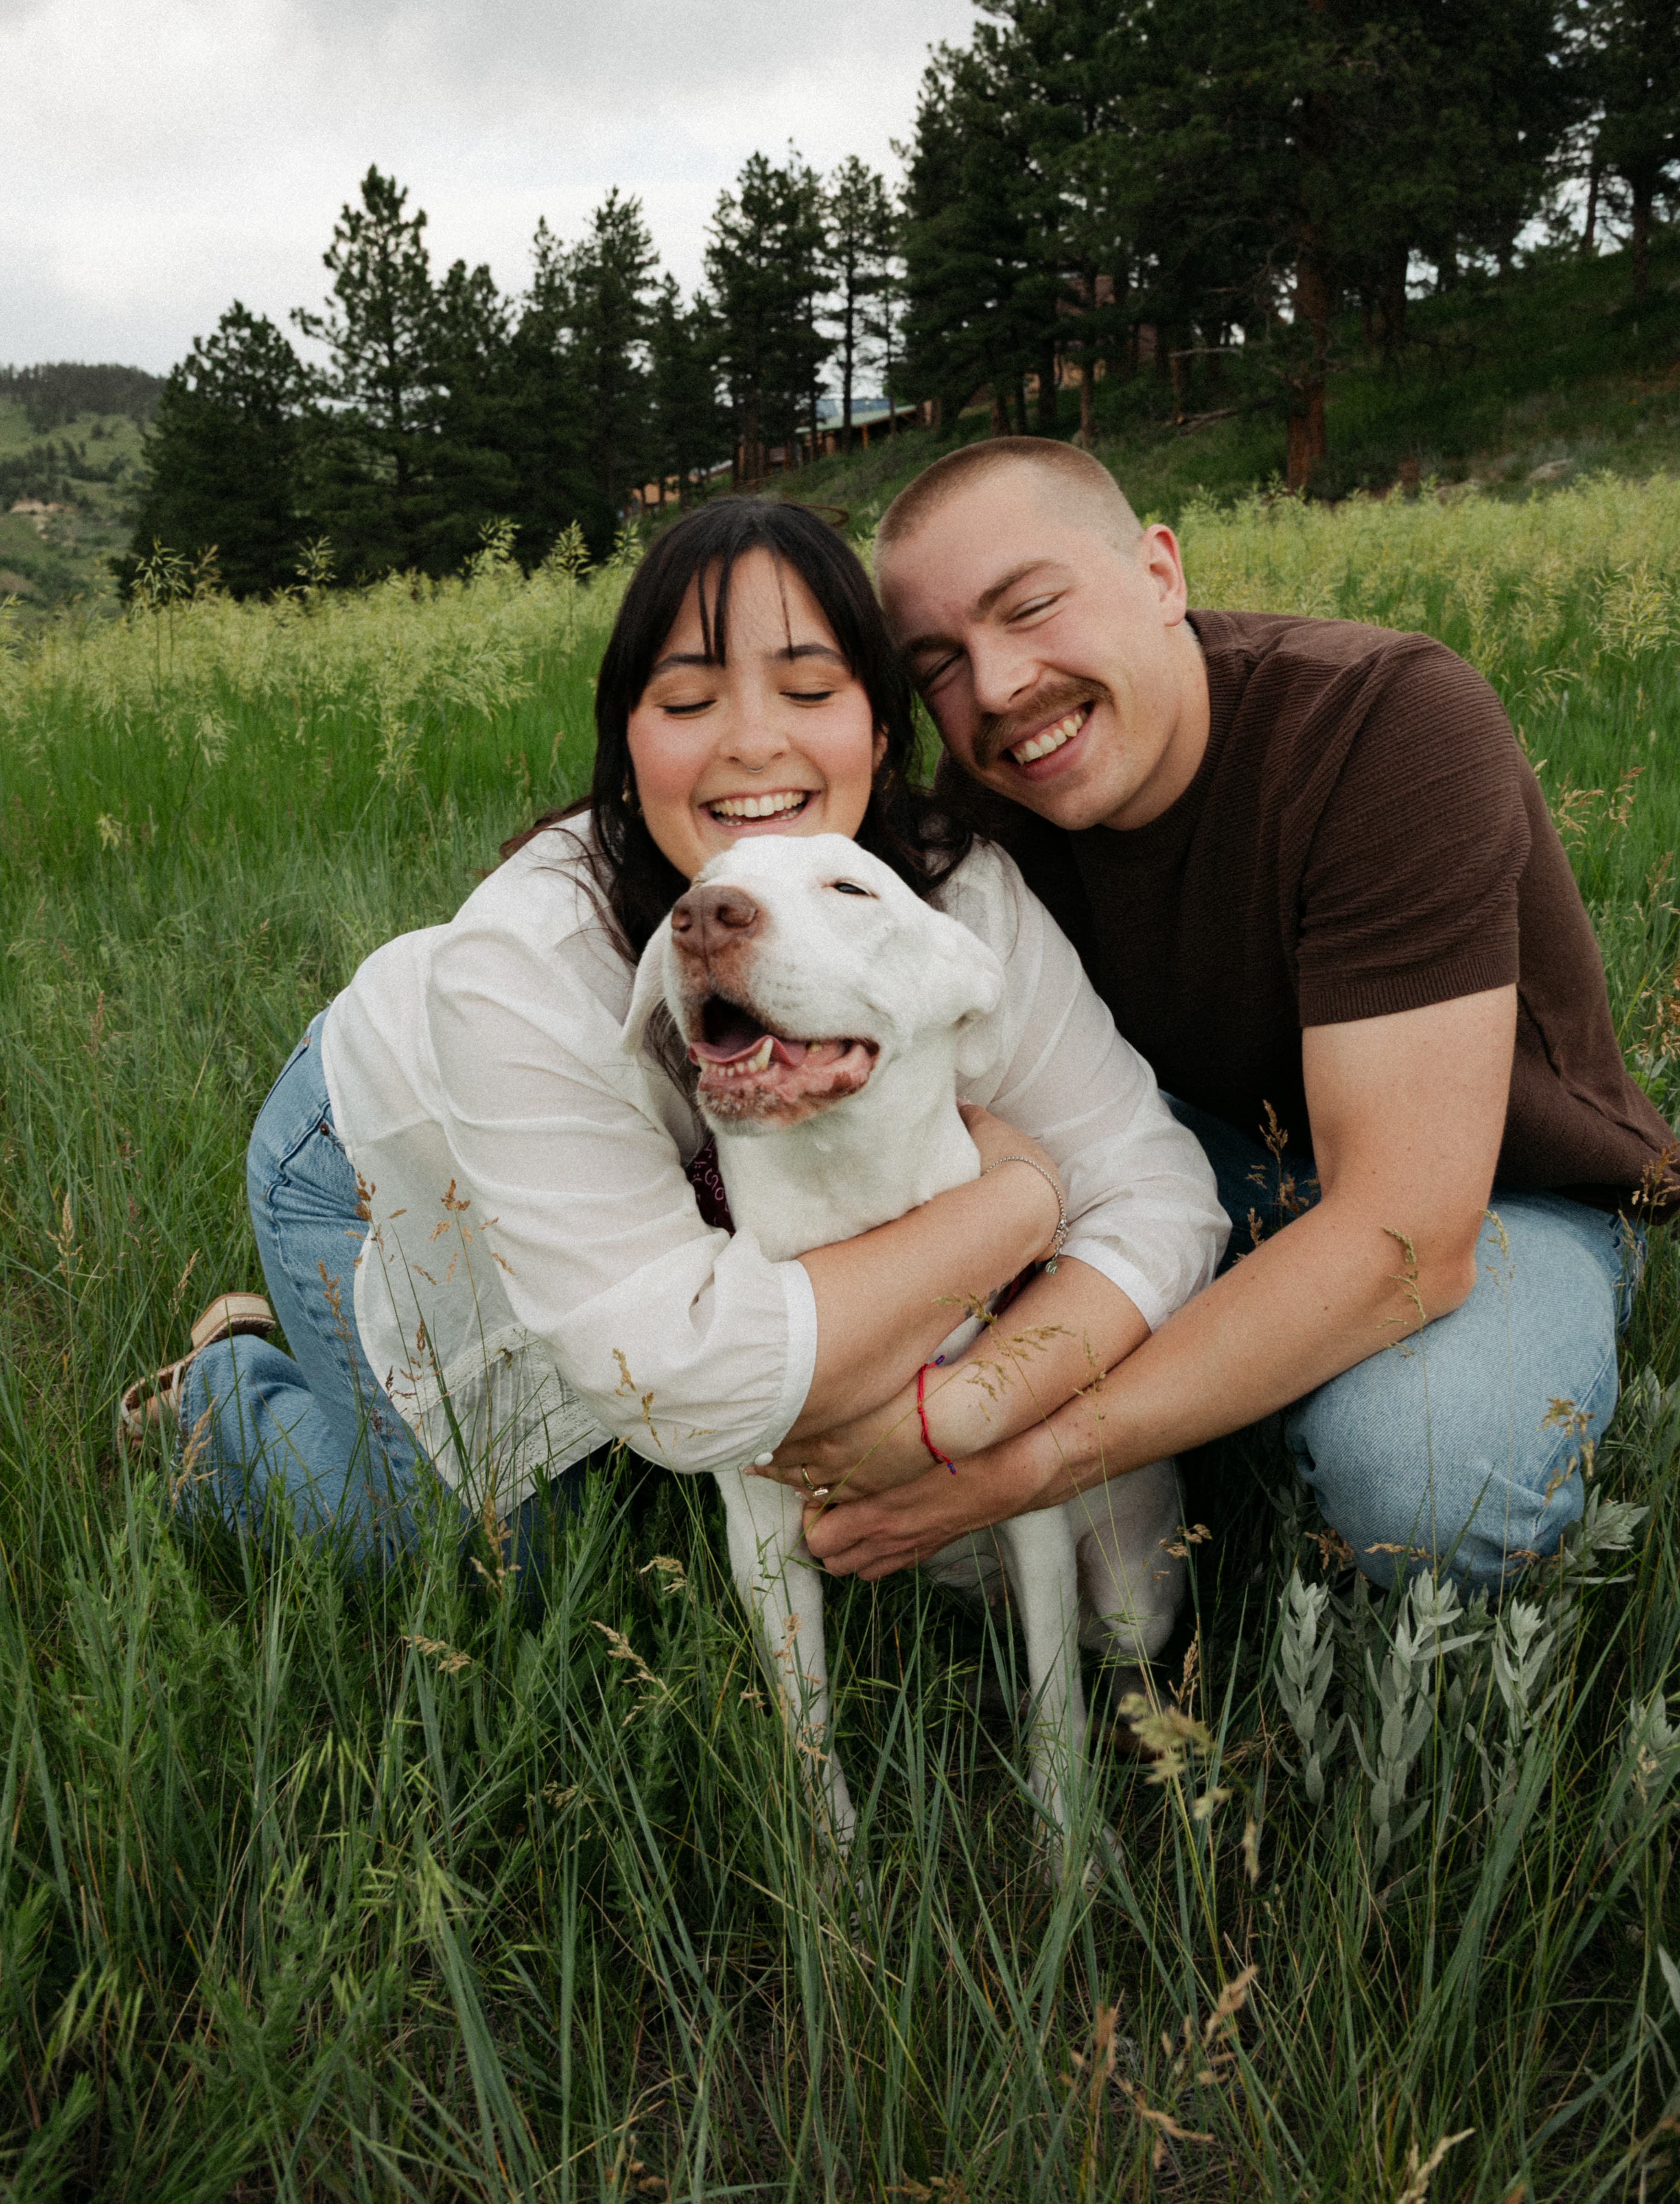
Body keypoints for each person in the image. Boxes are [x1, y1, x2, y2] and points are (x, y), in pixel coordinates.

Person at [131, 497, 1225, 1585]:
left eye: (809, 689)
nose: (754, 741)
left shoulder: (949, 904)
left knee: (704, 1445)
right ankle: (221, 1397)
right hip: (383, 1160)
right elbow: (672, 1379)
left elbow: (1162, 1190)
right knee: (486, 1557)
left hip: (634, 1221)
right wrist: (1021, 1203)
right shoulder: (525, 955)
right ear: (626, 748)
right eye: (689, 699)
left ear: (883, 733)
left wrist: (970, 1413)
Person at [771, 440, 1678, 1596]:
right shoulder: (985, 816)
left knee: (1428, 1484)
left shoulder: (1384, 724)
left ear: (1159, 574)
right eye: (939, 662)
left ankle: (1279, 1404)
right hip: (1186, 1162)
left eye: (1033, 607)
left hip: (1492, 1191)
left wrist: (1012, 1460)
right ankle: (1238, 1383)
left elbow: (1405, 1234)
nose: (996, 689)